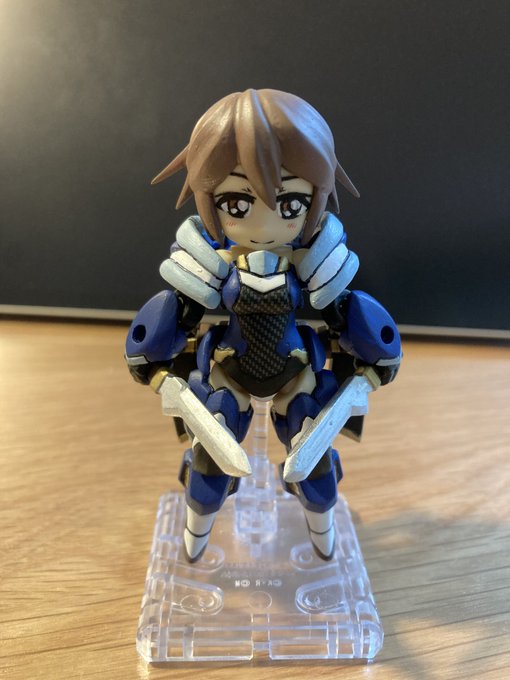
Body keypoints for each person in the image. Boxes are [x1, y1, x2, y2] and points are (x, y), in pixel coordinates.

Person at [125, 89, 401, 562]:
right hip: (229, 372)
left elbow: (347, 314)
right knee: (210, 461)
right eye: (237, 203)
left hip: (296, 373)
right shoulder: (212, 266)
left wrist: (377, 358)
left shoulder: (312, 266)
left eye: (290, 204)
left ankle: (323, 535)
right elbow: (172, 319)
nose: (266, 220)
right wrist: (150, 362)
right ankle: (195, 537)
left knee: (313, 462)